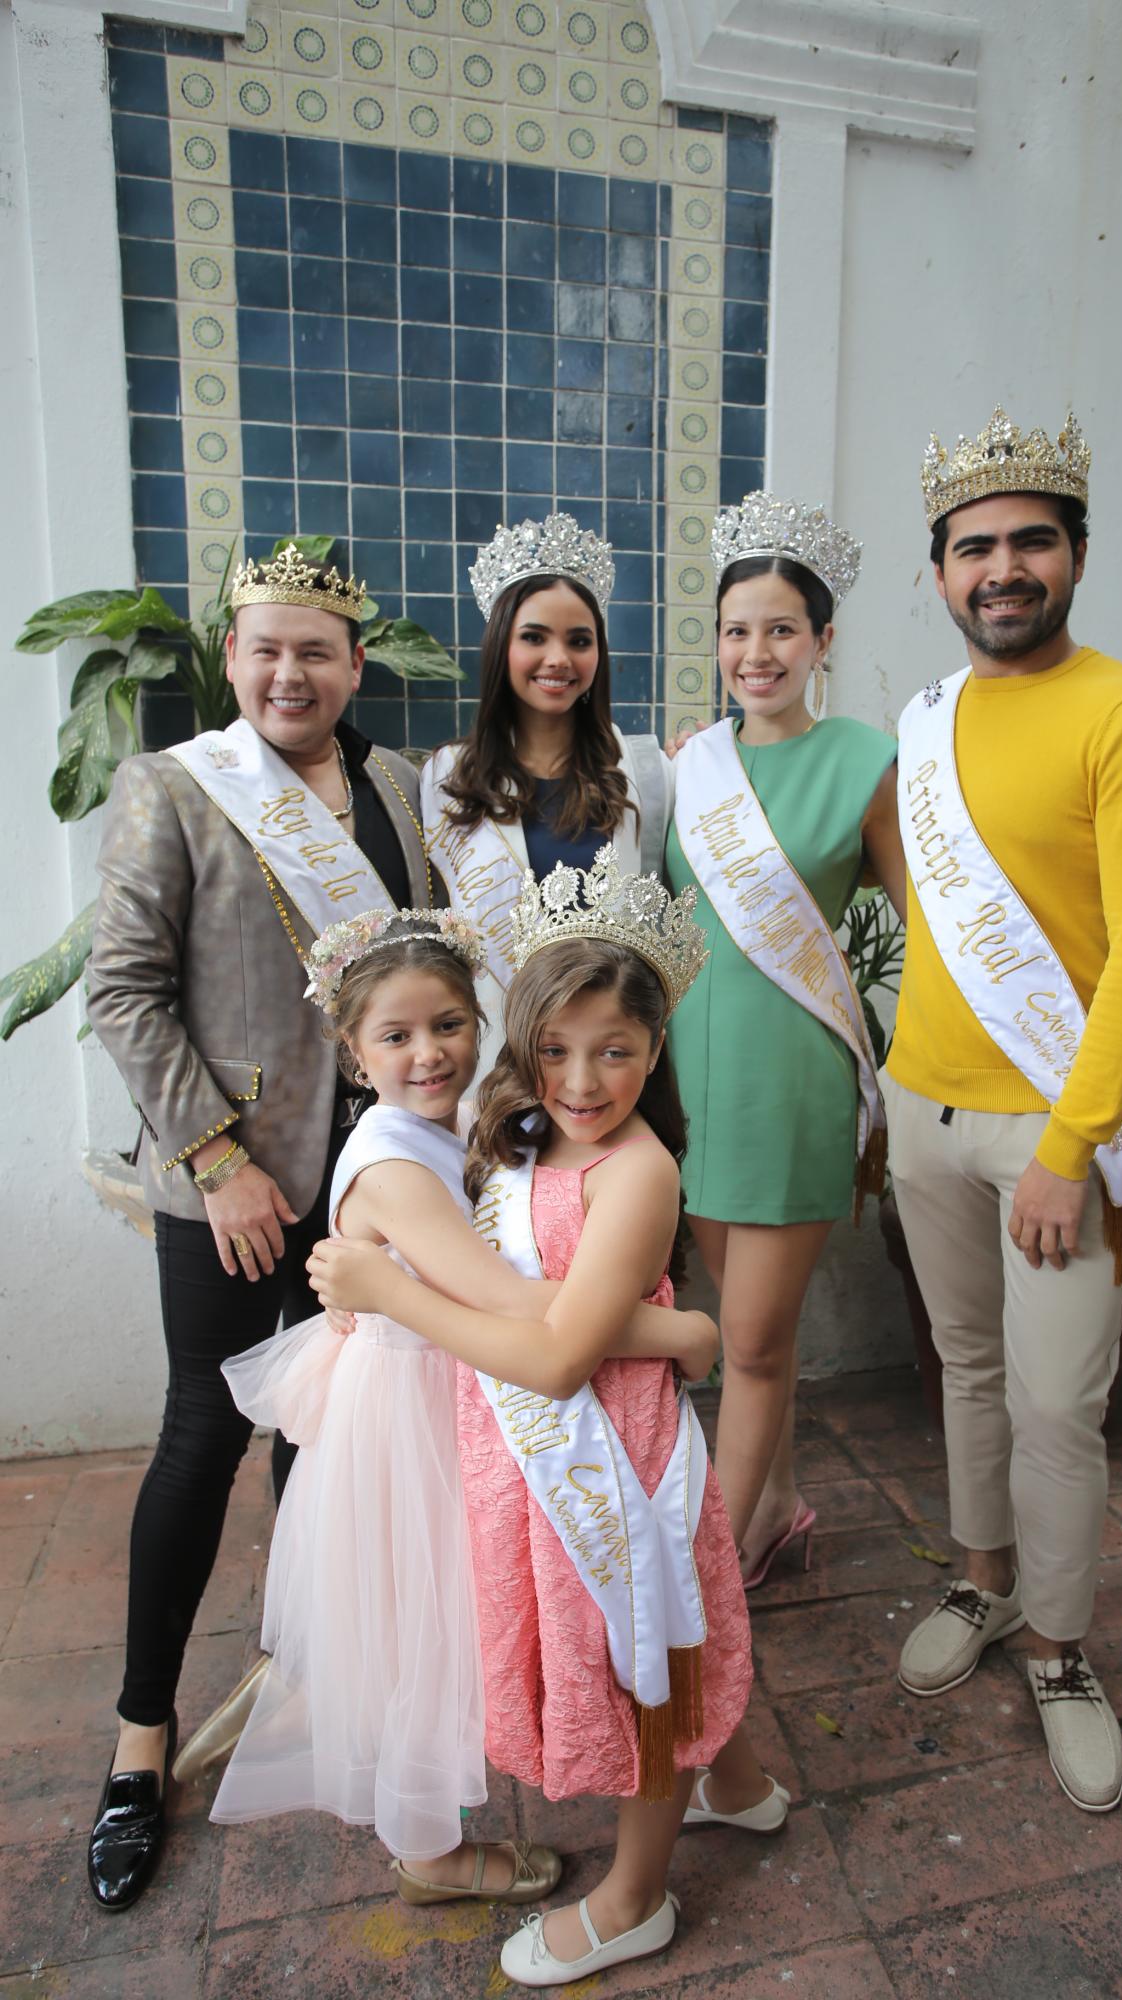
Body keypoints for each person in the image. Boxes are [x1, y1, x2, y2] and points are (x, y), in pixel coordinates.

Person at [310, 849, 781, 1988]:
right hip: (530, 1445)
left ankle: (634, 1896)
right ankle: (738, 1783)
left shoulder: (638, 1168)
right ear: (522, 1050)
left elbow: (562, 1350)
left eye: (615, 1049)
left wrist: (389, 1291)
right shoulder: (519, 1137)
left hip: (612, 1448)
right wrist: (678, 1332)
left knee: (643, 1656)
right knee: (664, 1635)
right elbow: (540, 1300)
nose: (582, 1076)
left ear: (654, 1050)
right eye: (556, 1049)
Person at [211, 904, 721, 1902]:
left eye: (447, 1023)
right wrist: (680, 1332)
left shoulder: (457, 1127)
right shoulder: (397, 1164)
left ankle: (716, 1762)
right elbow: (529, 1308)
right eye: (395, 1035)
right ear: (353, 1051)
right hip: (408, 1415)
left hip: (453, 1389)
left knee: (448, 1619)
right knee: (421, 1632)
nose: (429, 1051)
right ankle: (429, 1852)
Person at [82, 546, 435, 1912]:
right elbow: (123, 990)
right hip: (233, 1186)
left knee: (338, 1423)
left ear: (354, 665)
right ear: (230, 661)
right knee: (203, 1438)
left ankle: (315, 1673)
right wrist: (215, 1158)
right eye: (264, 651)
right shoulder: (172, 788)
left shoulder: (397, 786)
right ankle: (138, 1739)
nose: (290, 674)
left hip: (373, 1178)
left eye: (317, 652)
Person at [888, 407, 1122, 1813]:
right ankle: (981, 1580)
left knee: (1057, 1408)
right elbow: (922, 902)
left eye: (1030, 541)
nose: (1000, 567)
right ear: (940, 570)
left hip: (1050, 1142)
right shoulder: (929, 715)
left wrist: (1069, 1150)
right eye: (974, 547)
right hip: (921, 1116)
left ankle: (1064, 1648)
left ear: (1076, 554)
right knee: (961, 1371)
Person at [664, 492, 901, 1584]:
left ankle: (699, 1576)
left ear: (822, 641)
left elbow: (929, 923)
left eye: (780, 629)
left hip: (793, 1079)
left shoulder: (865, 758)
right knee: (755, 1332)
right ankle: (778, 1510)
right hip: (686, 1085)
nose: (755, 652)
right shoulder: (689, 768)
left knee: (748, 1346)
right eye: (736, 630)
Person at [421, 512, 672, 1073]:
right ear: (500, 647)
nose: (558, 659)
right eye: (534, 637)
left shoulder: (645, 770)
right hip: (492, 1054)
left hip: (602, 1061)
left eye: (578, 641)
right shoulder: (445, 777)